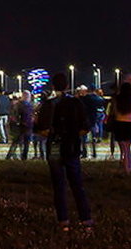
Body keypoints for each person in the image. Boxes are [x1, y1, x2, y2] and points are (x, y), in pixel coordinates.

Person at [36, 72, 92, 229]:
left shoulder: (49, 104)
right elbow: (86, 126)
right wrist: (73, 136)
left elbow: (41, 129)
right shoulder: (76, 103)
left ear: (53, 86)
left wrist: (53, 134)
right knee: (77, 184)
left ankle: (63, 220)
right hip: (71, 146)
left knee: (58, 185)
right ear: (67, 86)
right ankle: (85, 219)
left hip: (54, 146)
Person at [110, 78, 131, 174]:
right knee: (127, 147)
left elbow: (114, 111)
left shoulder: (117, 99)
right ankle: (128, 168)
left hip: (119, 123)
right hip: (130, 123)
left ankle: (124, 167)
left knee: (122, 148)